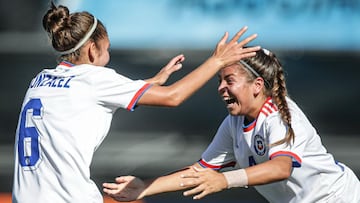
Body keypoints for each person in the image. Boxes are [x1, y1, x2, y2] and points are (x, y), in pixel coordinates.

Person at [11, 2, 261, 203]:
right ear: (91, 49)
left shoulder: (40, 80)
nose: (107, 56)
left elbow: (86, 95)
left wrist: (152, 81)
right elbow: (173, 97)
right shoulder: (95, 78)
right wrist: (217, 61)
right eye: (107, 49)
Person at [103, 48, 360, 203]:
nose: (221, 88)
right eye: (219, 80)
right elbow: (201, 173)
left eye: (229, 80)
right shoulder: (233, 123)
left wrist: (225, 180)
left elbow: (281, 168)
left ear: (257, 85)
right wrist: (144, 187)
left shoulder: (280, 115)